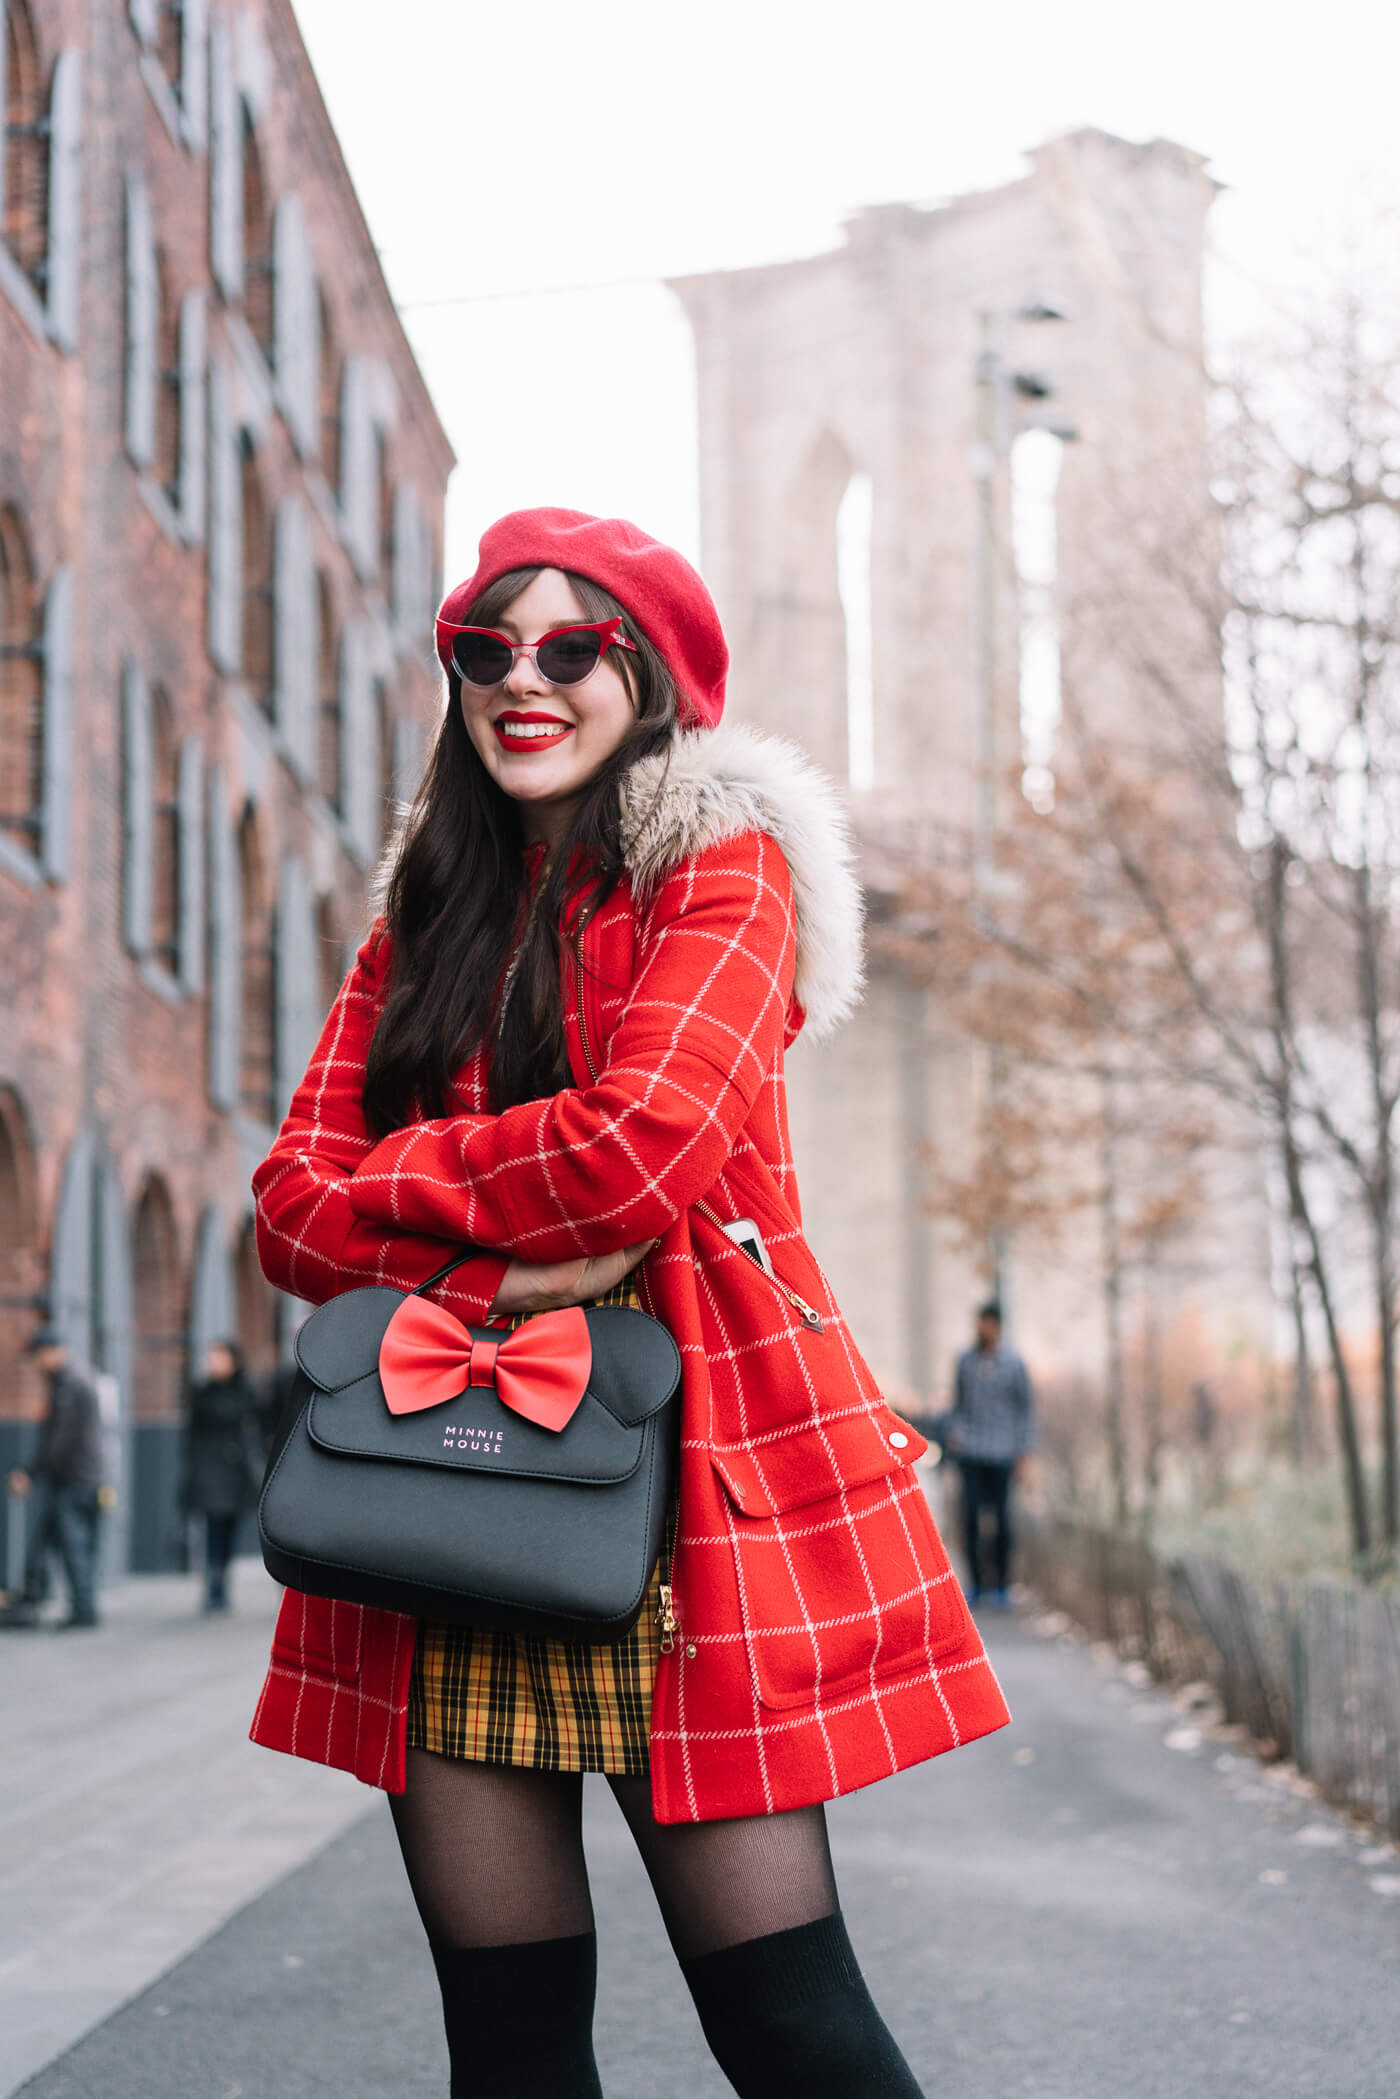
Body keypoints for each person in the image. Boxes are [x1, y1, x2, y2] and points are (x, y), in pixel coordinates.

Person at [247, 508, 1012, 2098]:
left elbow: (634, 1159)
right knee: (509, 2050)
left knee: (793, 2029)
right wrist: (498, 1254)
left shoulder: (724, 873)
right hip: (442, 1501)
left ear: (648, 675)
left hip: (686, 1515)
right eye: (486, 646)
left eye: (572, 646)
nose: (525, 680)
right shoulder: (425, 911)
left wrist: (425, 1195)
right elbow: (287, 1205)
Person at [0, 1326, 105, 1630]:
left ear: (52, 1351)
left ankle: (83, 1611)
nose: (37, 1364)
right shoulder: (73, 1379)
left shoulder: (71, 1384)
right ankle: (33, 1599)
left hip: (75, 1478)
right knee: (55, 1540)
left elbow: (60, 1440)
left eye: (39, 1356)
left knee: (73, 1545)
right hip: (78, 1476)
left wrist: (31, 1472)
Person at [945, 1301, 1035, 1609]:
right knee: (969, 1518)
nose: (982, 1329)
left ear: (997, 1326)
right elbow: (957, 1402)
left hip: (1002, 1453)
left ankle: (1001, 1586)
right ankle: (976, 1584)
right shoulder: (965, 1362)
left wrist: (1024, 1453)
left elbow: (1025, 1410)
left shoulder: (1014, 1364)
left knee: (1002, 1520)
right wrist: (954, 1432)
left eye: (987, 1323)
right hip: (970, 1451)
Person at [181, 1340, 264, 1613]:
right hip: (209, 1470)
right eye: (210, 1358)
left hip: (236, 1471)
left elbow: (257, 1424)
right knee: (213, 1527)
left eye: (219, 1358)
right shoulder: (201, 1393)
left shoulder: (246, 1391)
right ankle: (214, 1587)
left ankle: (220, 1581)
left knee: (228, 1528)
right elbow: (192, 1434)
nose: (212, 1363)